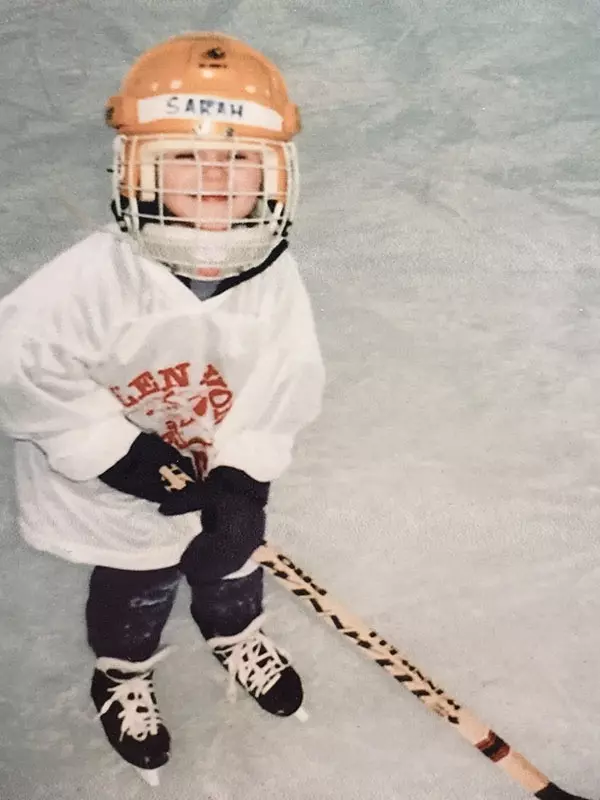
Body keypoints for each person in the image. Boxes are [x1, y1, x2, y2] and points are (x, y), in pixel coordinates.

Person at [0, 32, 324, 783]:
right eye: (184, 156)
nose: (214, 177)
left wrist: (243, 478)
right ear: (134, 167)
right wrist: (113, 453)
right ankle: (122, 668)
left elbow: (285, 379)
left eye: (240, 159)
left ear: (274, 173)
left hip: (210, 459)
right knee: (135, 580)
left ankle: (233, 632)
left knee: (233, 560)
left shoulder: (273, 278)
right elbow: (20, 367)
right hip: (109, 493)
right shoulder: (89, 281)